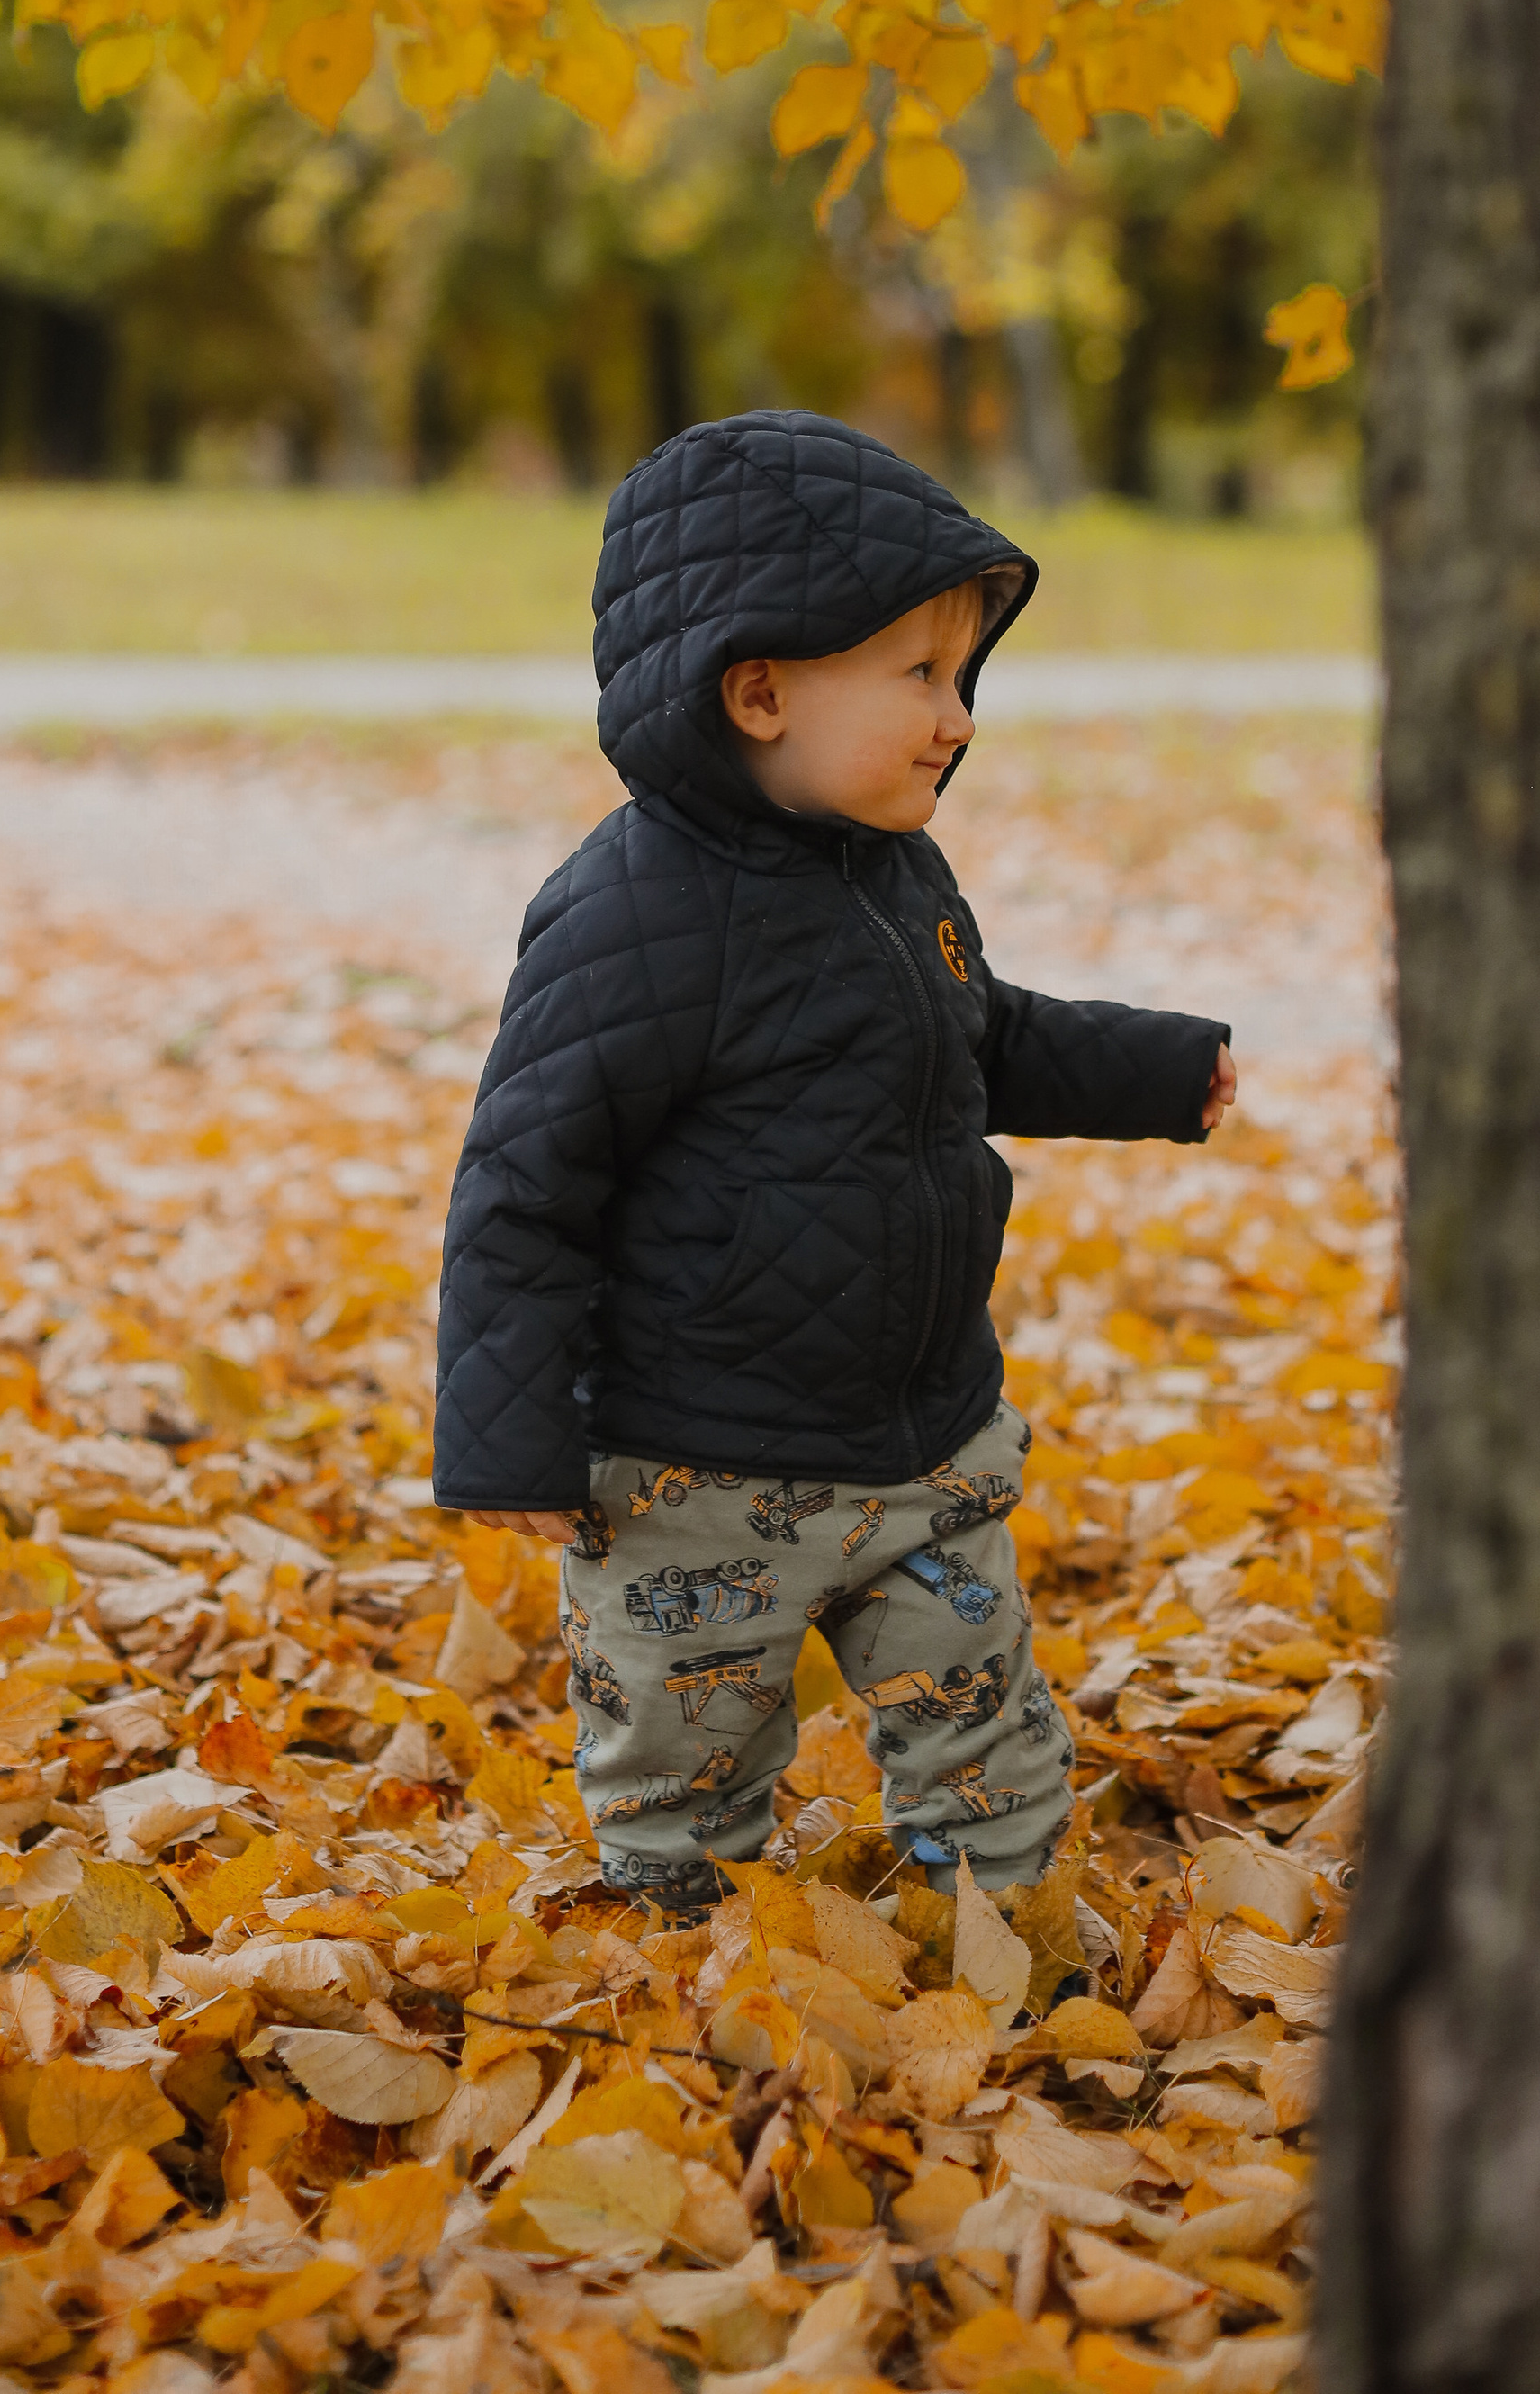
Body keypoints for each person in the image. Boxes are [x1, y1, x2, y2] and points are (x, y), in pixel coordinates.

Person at [434, 410, 1235, 1911]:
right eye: (917, 675)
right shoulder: (631, 916)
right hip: (695, 1474)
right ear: (758, 692)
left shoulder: (896, 869)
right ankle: (678, 1976)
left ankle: (994, 1959)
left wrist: (1159, 1067)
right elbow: (527, 1182)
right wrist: (508, 1434)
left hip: (925, 1453)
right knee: (682, 1777)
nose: (961, 715)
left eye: (960, 673)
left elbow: (974, 1036)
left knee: (987, 1739)